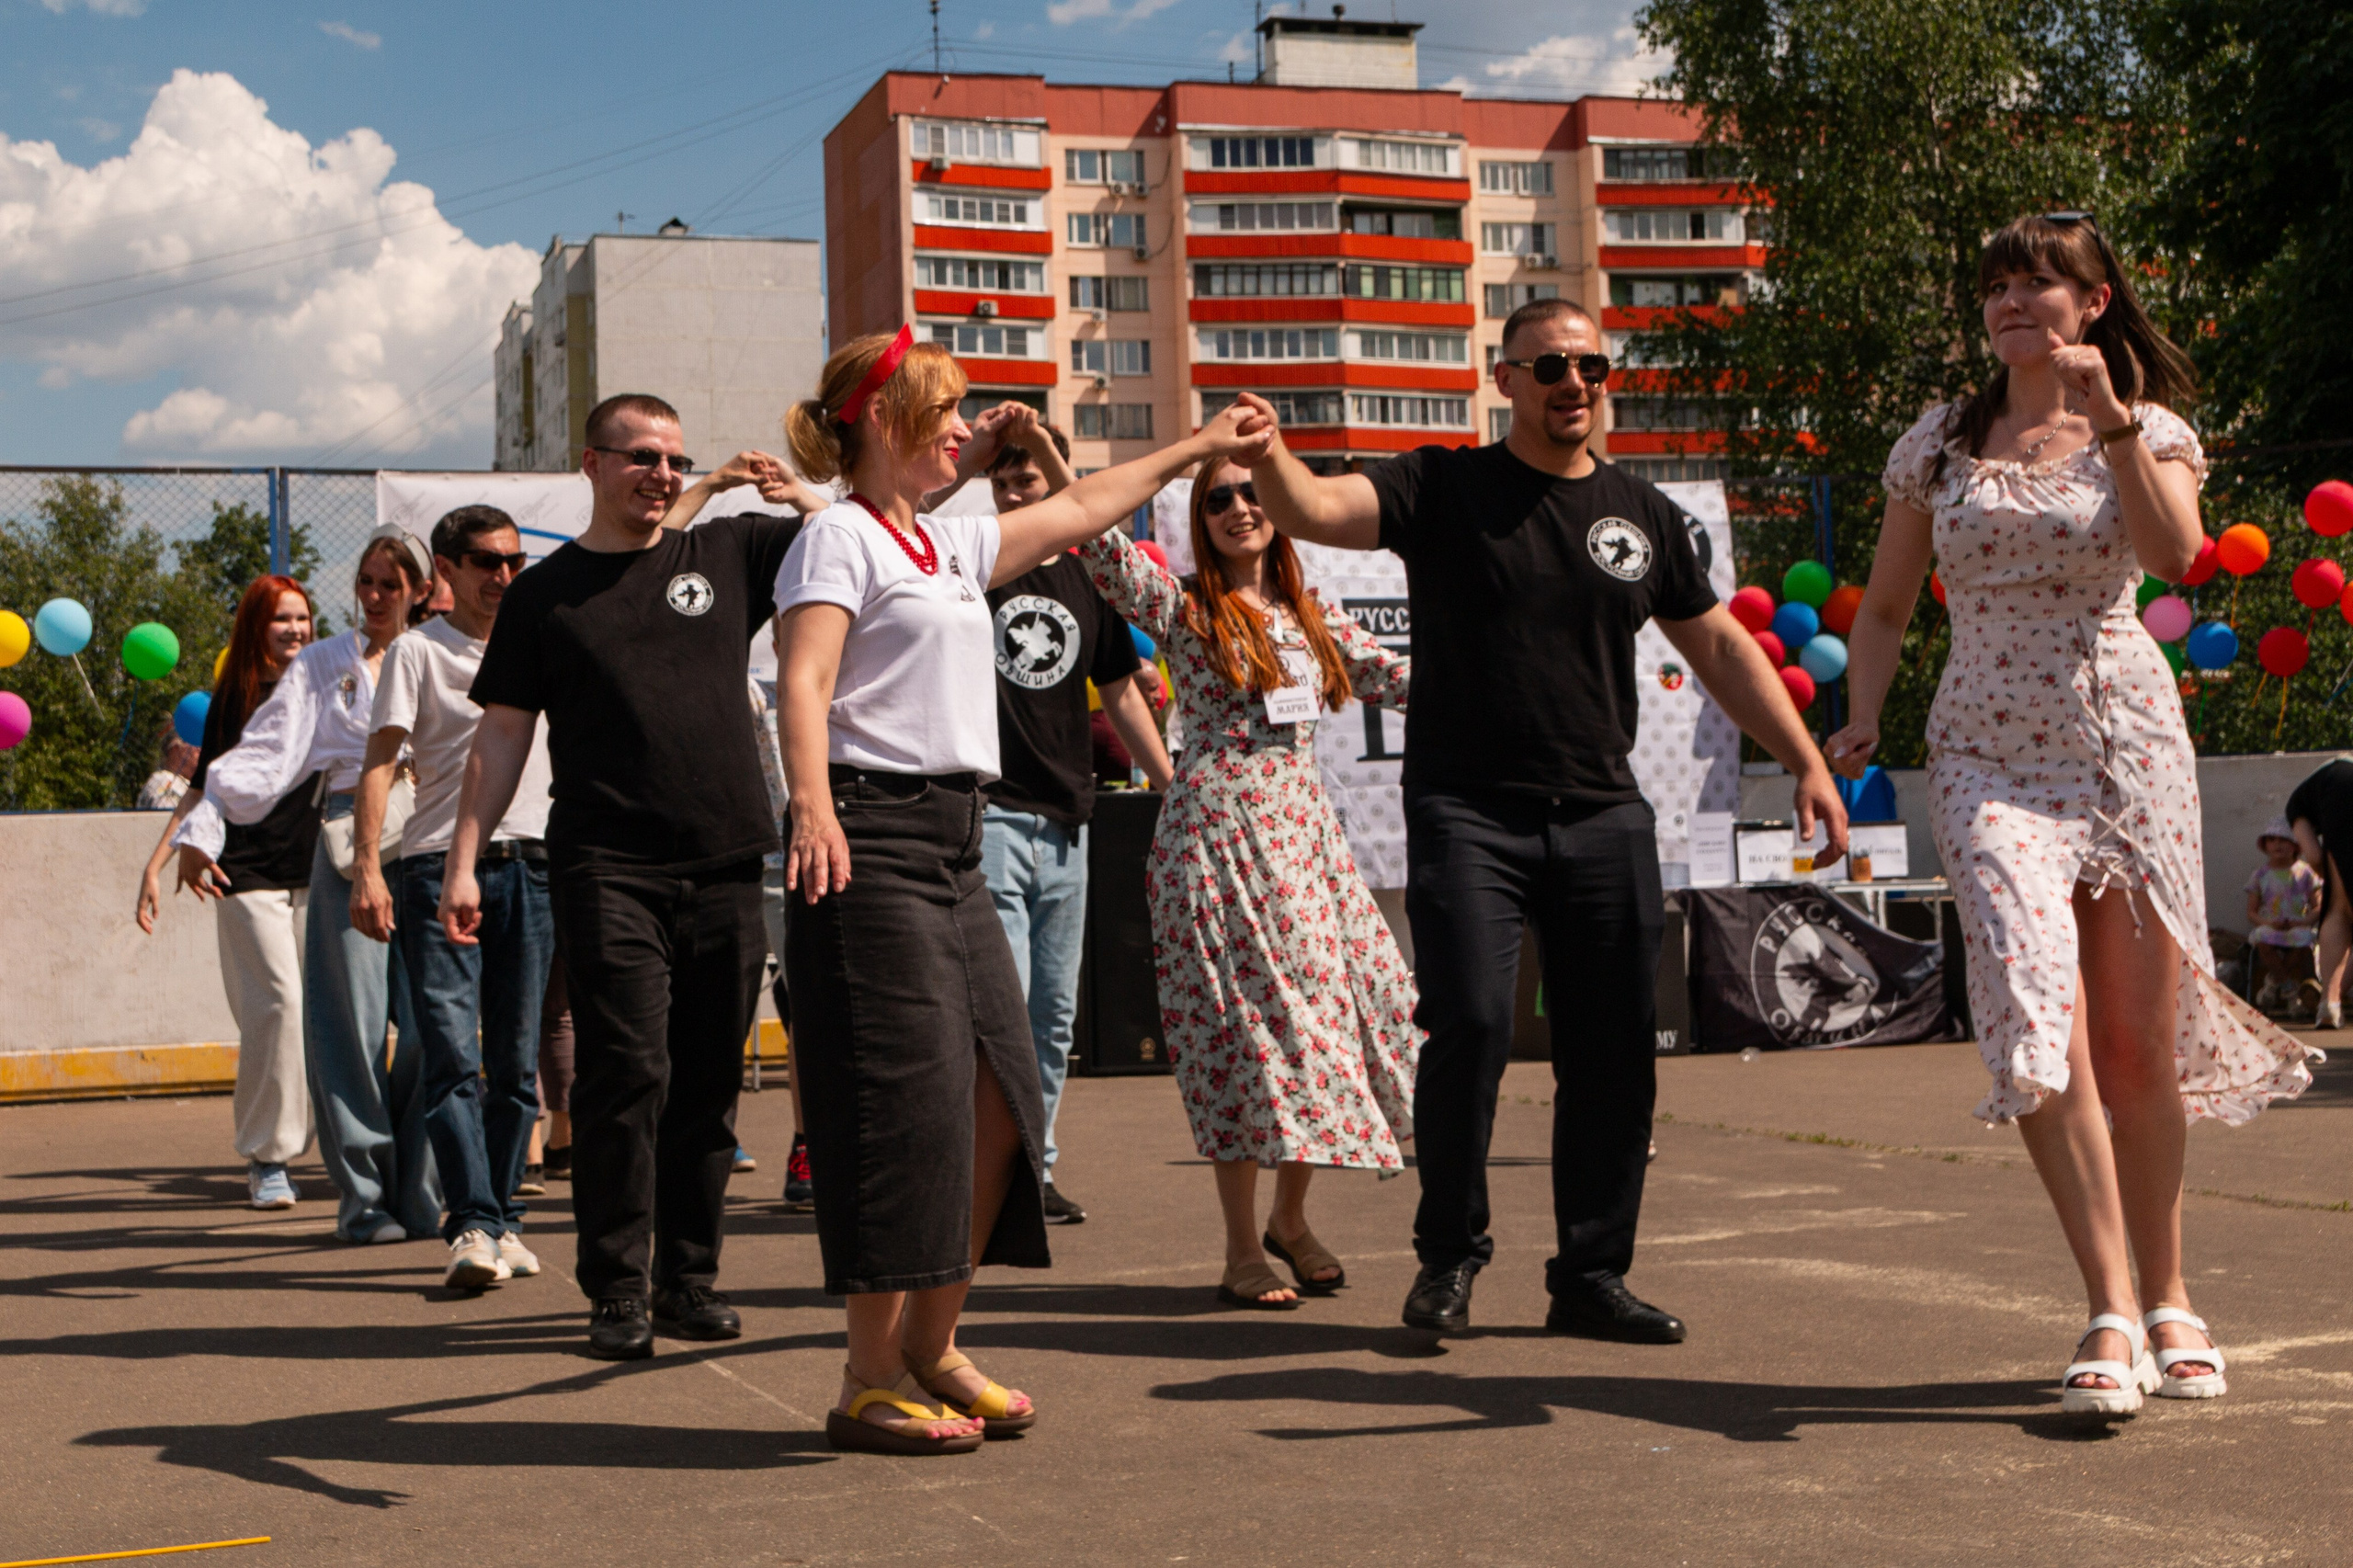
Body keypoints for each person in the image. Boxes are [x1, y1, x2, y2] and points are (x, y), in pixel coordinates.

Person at [1237, 296, 1847, 1344]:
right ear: (1505, 378)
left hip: (1603, 815)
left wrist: (1803, 758)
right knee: (1470, 1021)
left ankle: (1591, 1276)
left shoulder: (1642, 514)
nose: (1574, 384)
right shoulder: (1444, 484)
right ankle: (1449, 1256)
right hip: (1469, 809)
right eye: (1550, 366)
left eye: (1591, 367)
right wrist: (1271, 452)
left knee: (1613, 1048)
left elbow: (1721, 649)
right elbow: (1315, 511)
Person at [1828, 213, 2317, 1417]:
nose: (2014, 301)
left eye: (2041, 282)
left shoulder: (2146, 430)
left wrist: (2107, 422)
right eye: (1997, 284)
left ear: (2094, 302)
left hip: (2122, 746)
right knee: (2031, 1013)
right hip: (1988, 757)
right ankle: (2105, 1301)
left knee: (2137, 1047)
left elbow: (2178, 551)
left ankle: (2172, 1297)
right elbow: (1887, 608)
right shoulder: (1937, 444)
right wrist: (1860, 717)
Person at [775, 326, 1270, 1454]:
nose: (964, 426)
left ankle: (933, 1342)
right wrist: (811, 807)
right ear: (886, 419)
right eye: (945, 410)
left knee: (1009, 1092)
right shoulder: (838, 540)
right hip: (871, 835)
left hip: (955, 834)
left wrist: (1197, 444)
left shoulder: (940, 544)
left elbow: (1087, 505)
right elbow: (802, 683)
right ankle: (866, 1374)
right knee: (901, 1112)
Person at [449, 404, 808, 1359]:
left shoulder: (727, 553)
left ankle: (687, 1278)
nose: (659, 472)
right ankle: (615, 1288)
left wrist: (791, 489)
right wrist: (461, 859)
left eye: (674, 459)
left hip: (729, 857)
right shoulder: (546, 595)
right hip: (608, 864)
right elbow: (499, 735)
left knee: (707, 1081)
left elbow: (852, 541)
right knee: (626, 1073)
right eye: (640, 456)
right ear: (592, 463)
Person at [1074, 458, 1415, 1310]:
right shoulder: (1186, 606)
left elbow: (1400, 678)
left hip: (1308, 843)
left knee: (1335, 1022)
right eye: (1216, 498)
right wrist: (1050, 462)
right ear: (1200, 517)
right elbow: (1099, 545)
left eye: (1250, 492)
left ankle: (1290, 1221)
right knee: (1239, 1037)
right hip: (1219, 838)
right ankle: (1239, 1248)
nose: (1237, 507)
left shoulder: (1311, 611)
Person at [176, 528, 440, 1244]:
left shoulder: (444, 651)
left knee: (428, 1025)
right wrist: (206, 823)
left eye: (392, 582)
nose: (377, 595)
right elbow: (267, 750)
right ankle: (363, 1200)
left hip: (437, 834)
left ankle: (419, 1190)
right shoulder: (326, 663)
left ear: (420, 588)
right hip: (350, 833)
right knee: (348, 1028)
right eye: (366, 581)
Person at [350, 506, 557, 1290]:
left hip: (534, 865)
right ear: (445, 569)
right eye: (483, 561)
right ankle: (470, 1220)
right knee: (449, 1055)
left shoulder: (540, 639)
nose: (502, 576)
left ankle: (502, 1218)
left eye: (513, 561)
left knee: (514, 1062)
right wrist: (369, 866)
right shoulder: (416, 652)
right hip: (437, 867)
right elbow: (378, 763)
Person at [979, 420, 1174, 1225]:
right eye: (1003, 483)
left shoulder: (1089, 580)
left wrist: (1173, 785)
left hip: (1069, 824)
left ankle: (1035, 1168)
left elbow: (1123, 690)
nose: (1015, 494)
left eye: (1029, 481)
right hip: (988, 816)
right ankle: (986, 1176)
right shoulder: (973, 566)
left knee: (1053, 1018)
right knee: (1003, 1010)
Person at [136, 575, 320, 1210]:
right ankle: (268, 1158)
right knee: (279, 1006)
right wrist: (157, 863)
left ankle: (324, 1144)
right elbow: (201, 790)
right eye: (281, 619)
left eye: (303, 618)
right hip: (244, 874)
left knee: (313, 1017)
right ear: (255, 626)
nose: (295, 629)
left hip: (319, 873)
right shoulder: (235, 697)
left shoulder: (327, 688)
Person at [2286, 757, 2353, 1029]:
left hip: (2339, 798)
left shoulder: (2296, 804)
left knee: (2337, 911)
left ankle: (2330, 1003)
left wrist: (2335, 880)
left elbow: (2313, 854)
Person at [2244, 819, 2322, 1014]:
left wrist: (2302, 921)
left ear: (2295, 845)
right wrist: (2268, 922)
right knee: (2262, 937)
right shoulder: (2260, 875)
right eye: (2272, 840)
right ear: (2265, 845)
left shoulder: (2305, 872)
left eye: (2284, 840)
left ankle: (2272, 984)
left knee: (2305, 941)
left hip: (2297, 927)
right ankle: (2290, 989)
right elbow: (2251, 912)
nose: (2278, 844)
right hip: (2272, 927)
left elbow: (2318, 906)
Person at [137, 724, 199, 811]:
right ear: (175, 749)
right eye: (196, 745)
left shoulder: (179, 782)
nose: (200, 750)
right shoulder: (166, 781)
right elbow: (163, 820)